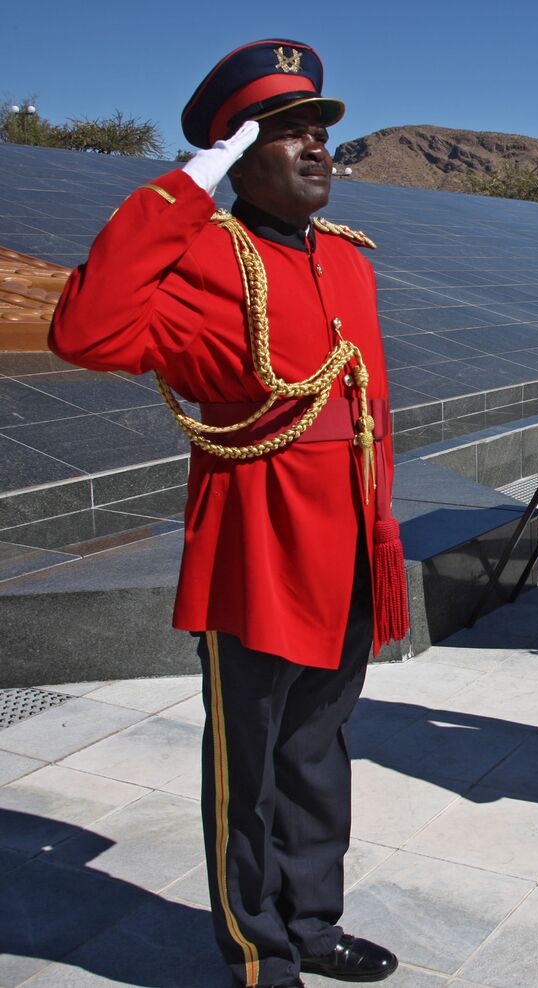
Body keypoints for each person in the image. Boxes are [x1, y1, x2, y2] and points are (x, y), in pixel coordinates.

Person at [50, 39, 406, 988]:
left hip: (351, 549)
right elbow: (85, 331)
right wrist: (184, 191)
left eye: (319, 130)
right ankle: (257, 950)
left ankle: (313, 923)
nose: (317, 147)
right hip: (258, 546)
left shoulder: (347, 261)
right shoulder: (204, 256)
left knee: (319, 751)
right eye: (286, 133)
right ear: (236, 153)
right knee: (246, 767)